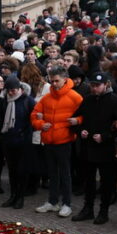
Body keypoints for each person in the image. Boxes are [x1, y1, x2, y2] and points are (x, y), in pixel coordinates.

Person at [71, 72, 117, 224]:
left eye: (97, 85)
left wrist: (105, 136)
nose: (94, 88)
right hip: (88, 147)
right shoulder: (87, 100)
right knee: (88, 180)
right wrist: (81, 130)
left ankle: (104, 211)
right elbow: (76, 119)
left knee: (106, 182)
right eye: (92, 85)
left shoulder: (115, 101)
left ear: (106, 85)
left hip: (106, 148)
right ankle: (87, 208)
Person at [32, 66, 84, 217]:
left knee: (65, 173)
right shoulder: (46, 98)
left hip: (64, 140)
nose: (54, 84)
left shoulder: (75, 97)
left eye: (57, 81)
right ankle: (53, 201)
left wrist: (77, 120)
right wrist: (41, 125)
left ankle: (67, 203)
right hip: (48, 140)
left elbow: (86, 115)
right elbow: (34, 115)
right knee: (52, 173)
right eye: (52, 81)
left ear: (65, 79)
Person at [0, 74, 35, 208]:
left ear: (20, 89)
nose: (12, 92)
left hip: (23, 141)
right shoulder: (5, 101)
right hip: (8, 140)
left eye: (14, 90)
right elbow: (0, 119)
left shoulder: (28, 100)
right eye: (9, 90)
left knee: (22, 170)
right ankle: (12, 195)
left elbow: (33, 120)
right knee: (12, 170)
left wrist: (25, 133)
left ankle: (20, 197)